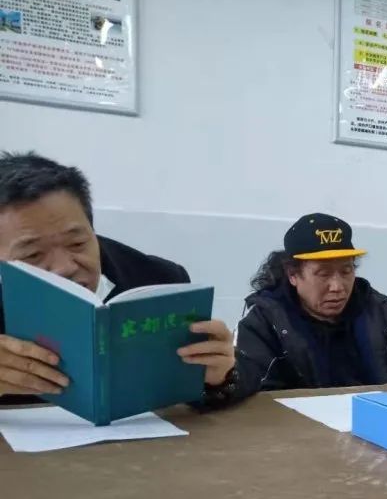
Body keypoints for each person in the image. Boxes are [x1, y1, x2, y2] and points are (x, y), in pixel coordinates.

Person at [0, 152, 240, 408]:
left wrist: (218, 378)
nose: (65, 268)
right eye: (32, 255)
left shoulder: (159, 282)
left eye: (77, 243)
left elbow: (211, 395)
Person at [233, 213, 387, 393]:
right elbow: (250, 395)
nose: (337, 286)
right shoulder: (264, 325)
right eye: (323, 274)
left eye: (346, 271)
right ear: (293, 275)